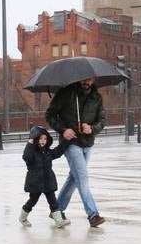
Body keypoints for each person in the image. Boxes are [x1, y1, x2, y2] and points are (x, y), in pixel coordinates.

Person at [46, 76, 107, 228]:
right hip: (71, 142)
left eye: (90, 79)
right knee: (82, 177)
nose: (86, 82)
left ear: (93, 80)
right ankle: (93, 215)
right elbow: (50, 115)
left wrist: (92, 128)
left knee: (74, 177)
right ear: (78, 78)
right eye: (83, 79)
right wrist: (63, 130)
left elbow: (102, 120)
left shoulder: (97, 98)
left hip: (88, 143)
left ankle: (57, 209)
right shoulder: (66, 94)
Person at [19, 125, 70, 228]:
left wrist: (66, 140)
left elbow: (58, 151)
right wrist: (30, 143)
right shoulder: (31, 152)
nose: (43, 141)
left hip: (48, 181)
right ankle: (22, 218)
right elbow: (26, 157)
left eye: (45, 139)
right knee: (32, 201)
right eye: (40, 138)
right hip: (35, 182)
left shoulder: (47, 152)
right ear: (35, 139)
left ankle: (59, 221)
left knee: (53, 201)